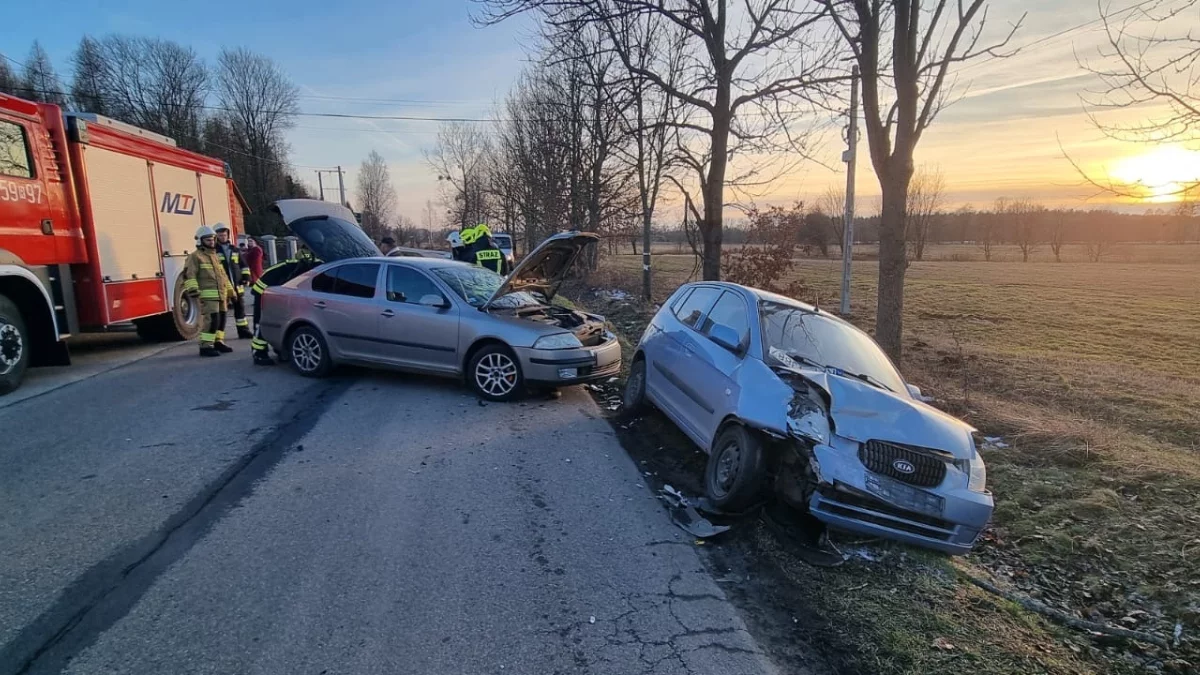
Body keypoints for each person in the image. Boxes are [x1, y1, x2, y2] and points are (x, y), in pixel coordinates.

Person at [249, 246, 322, 366]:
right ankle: (258, 353)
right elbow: (265, 283)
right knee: (262, 322)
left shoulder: (314, 266)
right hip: (263, 292)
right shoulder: (290, 267)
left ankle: (281, 350)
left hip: (281, 295)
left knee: (281, 323)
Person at [183, 226, 235, 357]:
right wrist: (193, 289)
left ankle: (218, 342)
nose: (211, 242)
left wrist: (231, 291)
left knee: (222, 319)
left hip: (221, 295)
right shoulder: (195, 256)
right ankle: (206, 346)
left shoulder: (215, 256)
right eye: (208, 240)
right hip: (208, 295)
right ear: (200, 241)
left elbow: (223, 275)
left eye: (212, 239)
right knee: (212, 320)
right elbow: (189, 274)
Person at [213, 224, 253, 339]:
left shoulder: (234, 249)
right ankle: (219, 336)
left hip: (237, 285)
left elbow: (243, 265)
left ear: (228, 235)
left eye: (224, 235)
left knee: (240, 309)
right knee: (222, 311)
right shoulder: (214, 251)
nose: (223, 237)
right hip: (223, 286)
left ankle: (243, 331)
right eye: (220, 235)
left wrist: (246, 277)